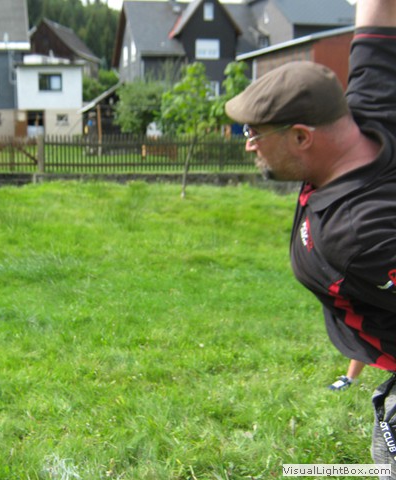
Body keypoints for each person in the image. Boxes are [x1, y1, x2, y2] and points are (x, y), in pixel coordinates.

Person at [225, 0, 396, 473]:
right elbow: (380, 12)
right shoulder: (368, 109)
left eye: (255, 132)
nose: (248, 144)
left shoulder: (357, 234)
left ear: (302, 137)